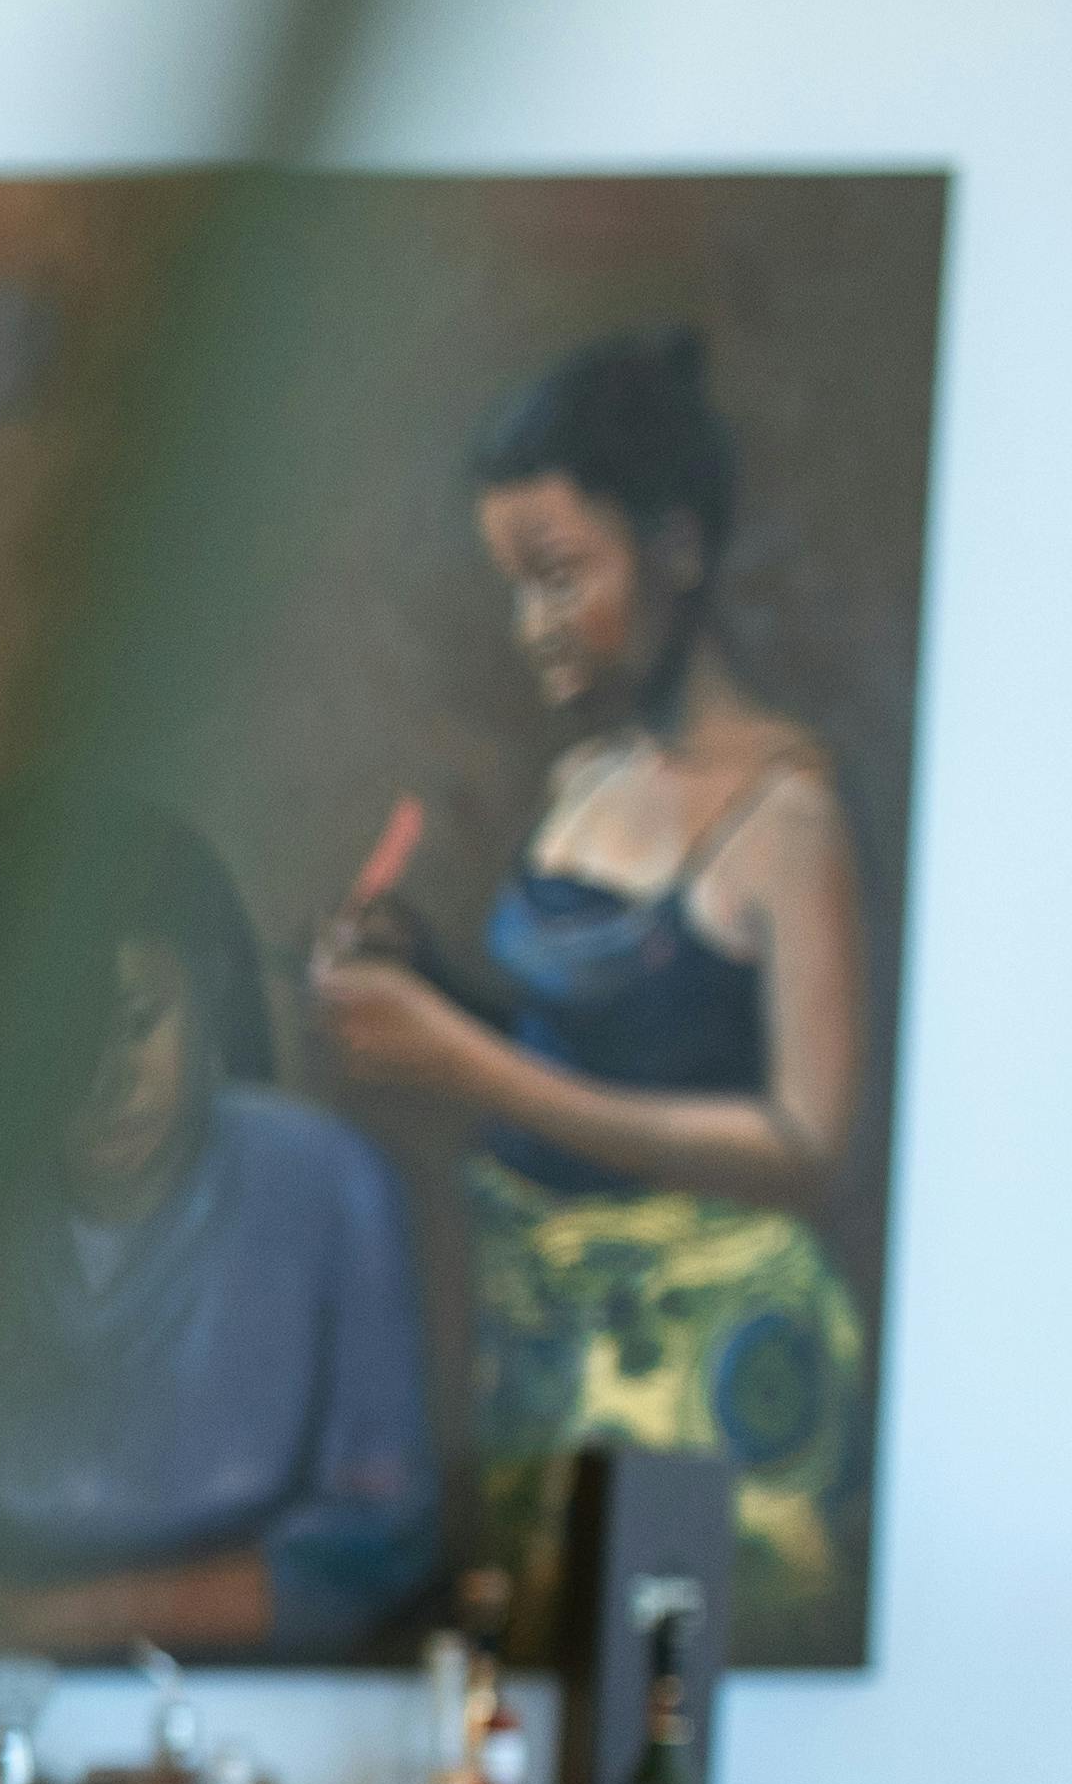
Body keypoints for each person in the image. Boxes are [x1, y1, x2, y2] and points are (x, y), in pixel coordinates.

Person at [306, 325, 878, 1652]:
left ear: (677, 547)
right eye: (515, 588)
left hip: (708, 1377)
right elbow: (587, 1044)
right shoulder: (585, 785)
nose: (533, 627)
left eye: (562, 578)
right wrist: (424, 980)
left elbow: (803, 1142)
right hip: (541, 1351)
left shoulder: (785, 816)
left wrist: (463, 1058)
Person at [0, 782, 434, 1661]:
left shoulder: (327, 1189)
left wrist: (25, 1622)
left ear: (205, 1001)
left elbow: (372, 1557)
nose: (105, 1082)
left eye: (138, 1024)